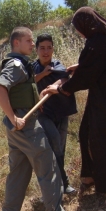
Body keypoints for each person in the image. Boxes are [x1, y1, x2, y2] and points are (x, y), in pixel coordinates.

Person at [0, 27, 85, 211]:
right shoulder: (16, 64)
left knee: (18, 172)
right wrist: (14, 117)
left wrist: (34, 101)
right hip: (25, 125)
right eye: (28, 41)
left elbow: (17, 91)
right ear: (17, 43)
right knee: (49, 166)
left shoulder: (18, 64)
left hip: (17, 128)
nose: (32, 44)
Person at [42, 7, 106, 202]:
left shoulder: (98, 43)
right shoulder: (102, 40)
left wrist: (60, 89)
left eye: (78, 27)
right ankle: (90, 176)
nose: (78, 31)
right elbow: (96, 66)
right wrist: (81, 67)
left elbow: (86, 77)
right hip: (102, 98)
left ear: (86, 25)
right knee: (87, 133)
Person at [33, 34, 78, 195]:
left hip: (61, 112)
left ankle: (60, 184)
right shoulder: (32, 68)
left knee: (60, 147)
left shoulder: (57, 65)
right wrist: (43, 74)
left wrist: (50, 87)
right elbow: (28, 83)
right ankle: (61, 184)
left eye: (49, 48)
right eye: (42, 48)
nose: (46, 52)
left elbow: (65, 78)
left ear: (53, 49)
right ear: (36, 50)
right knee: (54, 142)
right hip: (43, 114)